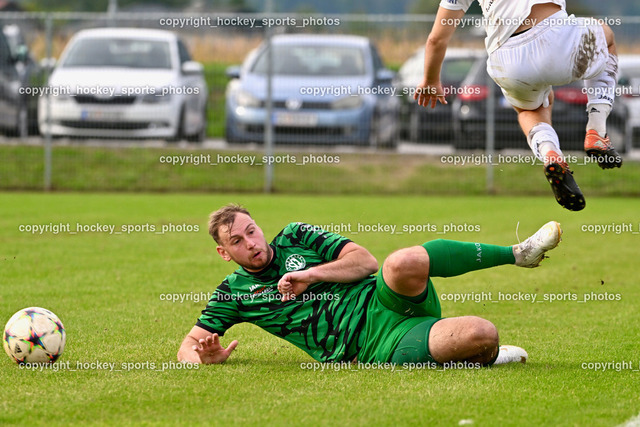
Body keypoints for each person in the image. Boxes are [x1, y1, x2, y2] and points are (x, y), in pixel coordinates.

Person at [177, 203, 563, 368]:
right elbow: (187, 347)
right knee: (482, 334)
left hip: (385, 296)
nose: (251, 243)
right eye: (237, 241)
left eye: (251, 231)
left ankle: (519, 253)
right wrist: (203, 359)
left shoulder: (296, 234)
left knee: (400, 262)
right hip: (374, 344)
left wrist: (311, 275)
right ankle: (488, 355)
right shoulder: (233, 292)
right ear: (224, 253)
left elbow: (366, 262)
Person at [414, 1, 622, 212]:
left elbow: (436, 39)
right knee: (607, 38)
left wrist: (431, 80)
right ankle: (597, 129)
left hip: (508, 59)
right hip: (557, 40)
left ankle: (550, 153)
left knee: (530, 110)